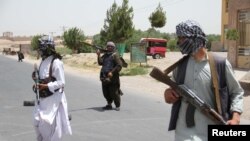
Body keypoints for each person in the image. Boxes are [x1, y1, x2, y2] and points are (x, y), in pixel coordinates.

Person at [163, 20, 244, 141]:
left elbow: (237, 92)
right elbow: (171, 91)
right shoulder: (180, 66)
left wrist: (236, 116)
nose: (178, 42)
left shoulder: (220, 64)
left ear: (195, 38)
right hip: (183, 134)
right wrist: (168, 94)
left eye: (182, 38)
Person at [32, 35, 72, 141]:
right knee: (37, 123)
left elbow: (61, 83)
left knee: (52, 128)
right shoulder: (43, 62)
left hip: (53, 100)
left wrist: (46, 86)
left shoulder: (56, 62)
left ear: (48, 47)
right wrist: (36, 82)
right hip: (42, 99)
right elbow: (43, 79)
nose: (40, 50)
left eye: (42, 47)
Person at [97, 41, 123, 111]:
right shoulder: (105, 55)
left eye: (111, 46)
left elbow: (119, 65)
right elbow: (100, 63)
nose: (109, 47)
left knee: (114, 92)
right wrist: (98, 55)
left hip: (113, 78)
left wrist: (112, 72)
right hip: (104, 76)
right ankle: (109, 104)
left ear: (113, 47)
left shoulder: (115, 55)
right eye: (108, 46)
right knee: (106, 92)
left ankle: (117, 105)